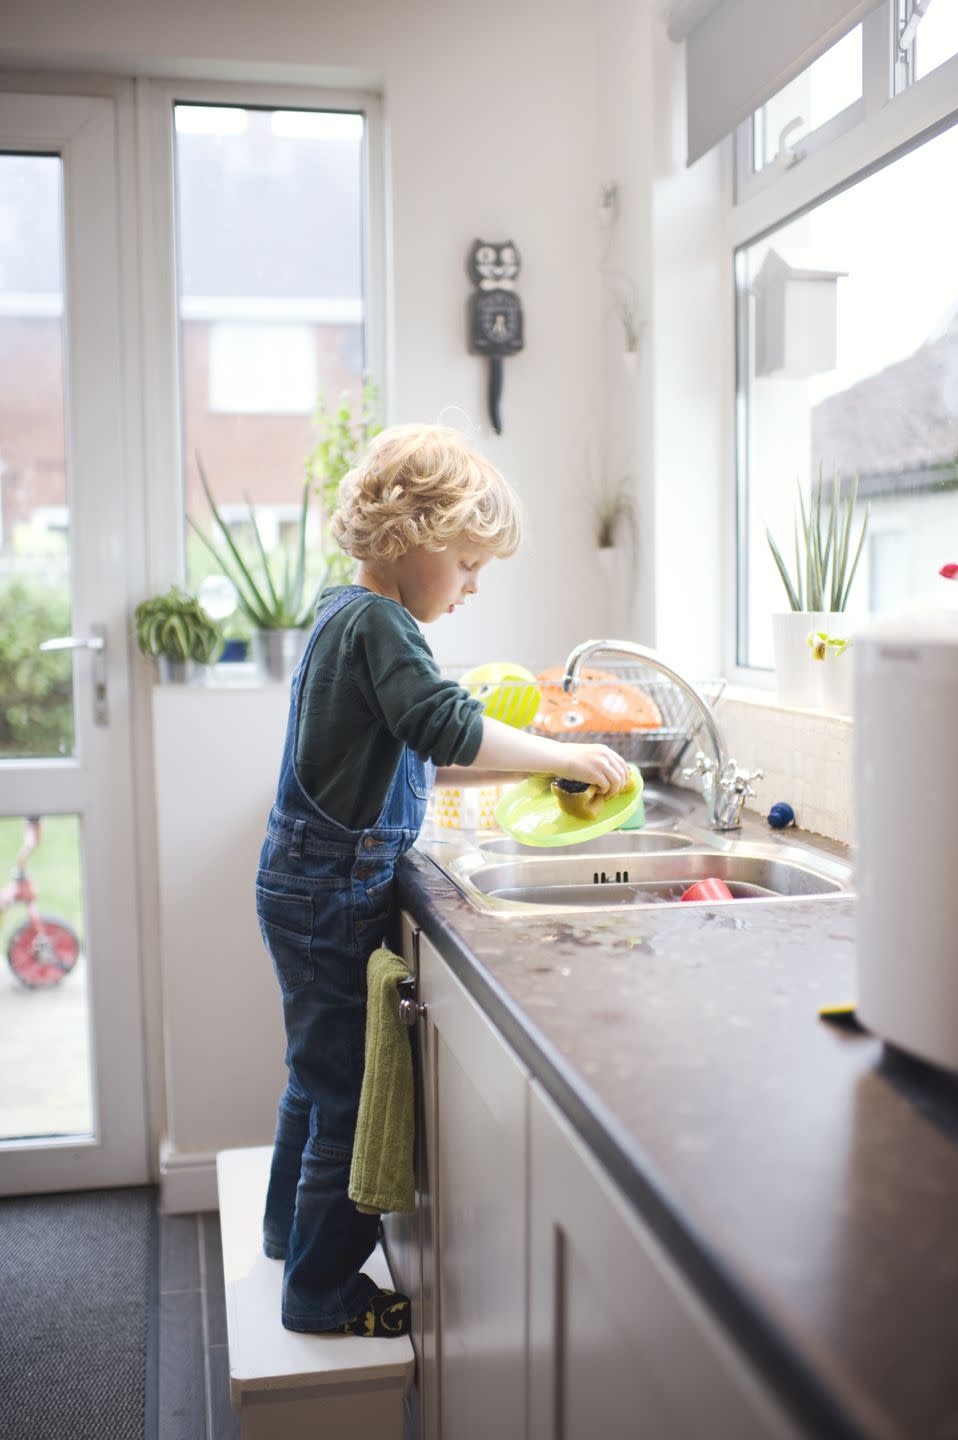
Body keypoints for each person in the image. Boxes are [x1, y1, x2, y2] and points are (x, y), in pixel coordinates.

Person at [256, 422, 631, 1337]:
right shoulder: (382, 623)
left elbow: (434, 744)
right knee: (343, 1093)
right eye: (467, 563)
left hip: (307, 884)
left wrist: (550, 768)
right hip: (331, 892)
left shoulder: (344, 612)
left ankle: (285, 1236)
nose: (470, 588)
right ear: (412, 536)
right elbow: (447, 726)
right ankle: (319, 1291)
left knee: (315, 1076)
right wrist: (565, 752)